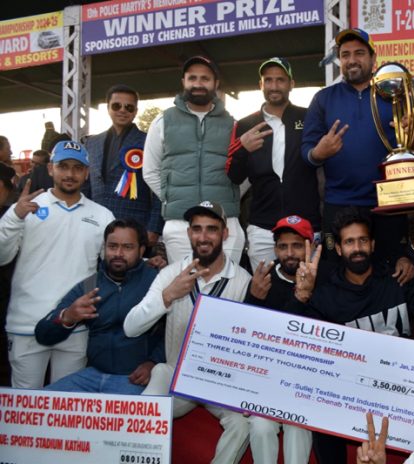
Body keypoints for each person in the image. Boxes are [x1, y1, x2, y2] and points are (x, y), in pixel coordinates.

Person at [289, 207, 414, 464]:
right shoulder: (325, 296)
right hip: (351, 390)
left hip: (401, 384)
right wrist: (301, 296)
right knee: (320, 403)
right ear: (338, 249)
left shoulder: (397, 279)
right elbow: (297, 345)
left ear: (372, 245)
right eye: (349, 242)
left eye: (362, 240)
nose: (357, 248)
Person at [123, 201, 251, 463]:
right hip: (176, 375)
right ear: (189, 233)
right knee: (150, 399)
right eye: (197, 229)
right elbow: (131, 327)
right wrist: (168, 296)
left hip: (219, 380)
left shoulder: (242, 279)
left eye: (211, 229)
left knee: (241, 425)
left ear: (225, 234)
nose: (203, 237)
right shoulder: (171, 274)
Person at [301, 28, 414, 273]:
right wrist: (320, 152)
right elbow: (306, 151)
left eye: (359, 53)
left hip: (390, 203)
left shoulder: (394, 94)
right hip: (339, 202)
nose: (351, 60)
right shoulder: (323, 98)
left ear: (373, 58)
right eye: (345, 54)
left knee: (390, 272)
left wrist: (411, 137)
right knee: (337, 273)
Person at [0, 141, 115, 388]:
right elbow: (2, 257)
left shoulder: (103, 215)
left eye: (77, 168)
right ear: (51, 169)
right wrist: (14, 217)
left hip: (76, 324)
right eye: (63, 166)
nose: (70, 174)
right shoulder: (26, 208)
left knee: (67, 409)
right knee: (24, 411)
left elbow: (114, 267)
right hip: (26, 323)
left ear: (86, 173)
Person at [34, 219, 163, 394]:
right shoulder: (90, 286)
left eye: (127, 247)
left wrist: (153, 363)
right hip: (91, 376)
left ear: (141, 250)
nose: (118, 253)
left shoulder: (156, 281)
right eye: (112, 246)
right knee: (42, 405)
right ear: (104, 248)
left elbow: (174, 332)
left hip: (133, 378)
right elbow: (43, 334)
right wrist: (68, 316)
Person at [143, 56, 243, 264]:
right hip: (180, 223)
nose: (198, 84)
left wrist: (230, 196)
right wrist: (172, 197)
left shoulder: (233, 124)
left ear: (216, 84)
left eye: (205, 78)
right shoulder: (163, 121)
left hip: (226, 222)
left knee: (226, 288)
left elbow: (244, 173)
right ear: (183, 82)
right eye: (192, 78)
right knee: (185, 288)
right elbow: (150, 171)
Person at [227, 57, 320, 270]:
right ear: (261, 85)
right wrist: (242, 150)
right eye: (268, 80)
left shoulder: (309, 117)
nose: (274, 86)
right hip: (262, 227)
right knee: (265, 290)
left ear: (291, 84)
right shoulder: (245, 124)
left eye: (280, 80)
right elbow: (234, 176)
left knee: (306, 287)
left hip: (306, 223)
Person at [242, 214, 315, 464]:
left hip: (307, 387)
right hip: (266, 384)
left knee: (298, 426)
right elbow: (245, 338)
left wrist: (304, 297)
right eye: (282, 246)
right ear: (275, 249)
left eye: (297, 245)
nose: (290, 253)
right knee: (261, 427)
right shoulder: (263, 279)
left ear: (311, 246)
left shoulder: (324, 278)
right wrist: (253, 300)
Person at [85, 84, 164, 255]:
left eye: (129, 107)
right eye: (116, 106)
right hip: (95, 225)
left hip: (135, 227)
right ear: (108, 108)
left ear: (135, 111)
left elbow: (159, 186)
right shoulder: (91, 143)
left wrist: (154, 227)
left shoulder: (149, 141)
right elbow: (87, 186)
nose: (122, 110)